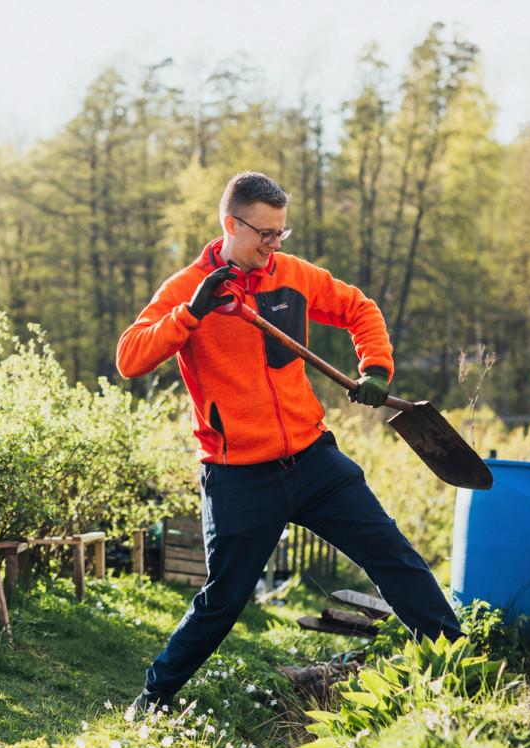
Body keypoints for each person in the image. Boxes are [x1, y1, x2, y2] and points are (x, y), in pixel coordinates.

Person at [116, 171, 463, 715]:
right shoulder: (188, 287)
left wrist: (375, 366)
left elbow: (360, 308)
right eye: (264, 234)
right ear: (231, 225)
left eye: (281, 232)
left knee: (391, 553)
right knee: (224, 600)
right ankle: (153, 697)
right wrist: (192, 314)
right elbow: (130, 357)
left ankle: (457, 663)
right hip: (239, 475)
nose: (274, 244)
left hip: (312, 459)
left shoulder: (293, 276)